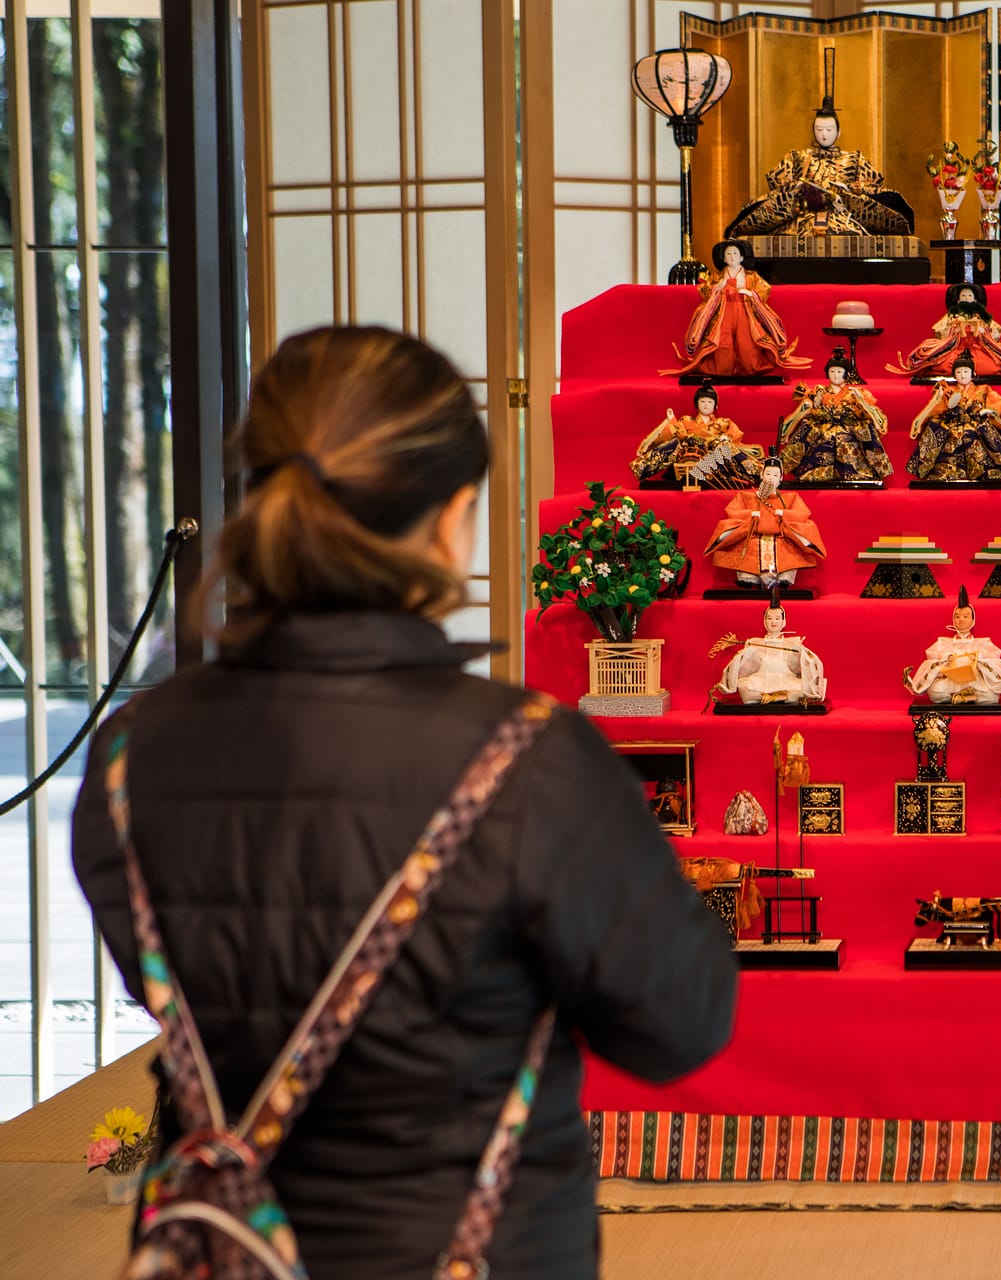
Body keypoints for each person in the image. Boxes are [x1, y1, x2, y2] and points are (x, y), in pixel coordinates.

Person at [69, 326, 738, 1278]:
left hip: (224, 1251)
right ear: (454, 517)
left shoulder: (130, 752)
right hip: (472, 1247)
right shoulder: (529, 762)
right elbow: (680, 1024)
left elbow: (177, 988)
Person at [724, 49, 914, 238]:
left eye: (829, 130)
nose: (824, 135)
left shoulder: (854, 158)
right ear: (813, 130)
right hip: (802, 217)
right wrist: (802, 189)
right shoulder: (798, 157)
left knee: (847, 234)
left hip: (844, 216)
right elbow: (780, 187)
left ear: (838, 132)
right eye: (820, 129)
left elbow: (872, 188)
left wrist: (848, 190)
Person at [662, 239, 810, 379]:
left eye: (735, 253)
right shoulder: (717, 276)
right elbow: (704, 290)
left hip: (745, 312)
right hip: (723, 313)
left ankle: (748, 368)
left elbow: (765, 289)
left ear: (741, 258)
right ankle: (723, 369)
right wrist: (716, 288)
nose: (731, 256)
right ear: (724, 259)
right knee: (722, 345)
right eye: (728, 254)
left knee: (747, 345)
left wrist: (751, 294)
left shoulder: (751, 277)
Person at [702, 459, 827, 589]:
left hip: (781, 537)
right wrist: (750, 515)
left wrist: (784, 515)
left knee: (789, 550)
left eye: (775, 475)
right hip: (752, 536)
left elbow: (801, 515)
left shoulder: (790, 498)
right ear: (761, 475)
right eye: (768, 474)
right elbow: (733, 512)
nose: (771, 478)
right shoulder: (746, 496)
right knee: (746, 548)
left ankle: (784, 579)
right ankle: (748, 579)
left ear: (780, 478)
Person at [886, 281, 1001, 382]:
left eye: (970, 295)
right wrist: (954, 329)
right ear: (957, 299)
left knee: (990, 368)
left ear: (975, 299)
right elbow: (939, 330)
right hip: (955, 347)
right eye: (964, 295)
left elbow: (996, 330)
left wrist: (983, 330)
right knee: (942, 366)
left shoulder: (981, 315)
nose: (967, 298)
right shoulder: (952, 314)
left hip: (979, 346)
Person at [778, 349, 893, 484]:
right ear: (827, 372)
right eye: (832, 371)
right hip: (822, 429)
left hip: (848, 429)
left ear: (846, 374)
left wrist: (861, 400)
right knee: (818, 436)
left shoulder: (855, 392)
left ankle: (852, 472)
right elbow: (808, 408)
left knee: (850, 439)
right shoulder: (820, 391)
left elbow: (868, 414)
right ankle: (814, 471)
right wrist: (814, 403)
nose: (835, 375)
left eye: (839, 372)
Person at [905, 353, 1001, 483]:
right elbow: (937, 409)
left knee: (974, 435)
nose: (963, 375)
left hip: (975, 424)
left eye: (966, 371)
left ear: (973, 373)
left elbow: (997, 402)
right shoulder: (949, 391)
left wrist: (989, 410)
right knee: (948, 435)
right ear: (954, 375)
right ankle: (945, 472)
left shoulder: (983, 389)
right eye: (959, 372)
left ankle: (984, 472)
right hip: (953, 424)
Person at [631, 381, 765, 488]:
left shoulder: (723, 422)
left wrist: (726, 437)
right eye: (702, 401)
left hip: (714, 460)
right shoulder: (687, 421)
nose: (706, 405)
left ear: (715, 406)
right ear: (696, 404)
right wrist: (671, 420)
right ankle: (643, 467)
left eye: (709, 402)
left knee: (726, 448)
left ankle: (760, 474)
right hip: (691, 457)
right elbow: (678, 433)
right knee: (677, 443)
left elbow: (735, 433)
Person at [904, 587, 1001, 705]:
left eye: (966, 616)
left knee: (990, 697)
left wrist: (978, 659)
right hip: (950, 680)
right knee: (936, 694)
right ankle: (963, 696)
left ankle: (965, 696)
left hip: (975, 680)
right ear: (953, 619)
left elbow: (994, 659)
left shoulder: (983, 643)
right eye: (957, 616)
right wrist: (946, 659)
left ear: (973, 619)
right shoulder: (943, 643)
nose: (961, 620)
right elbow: (932, 660)